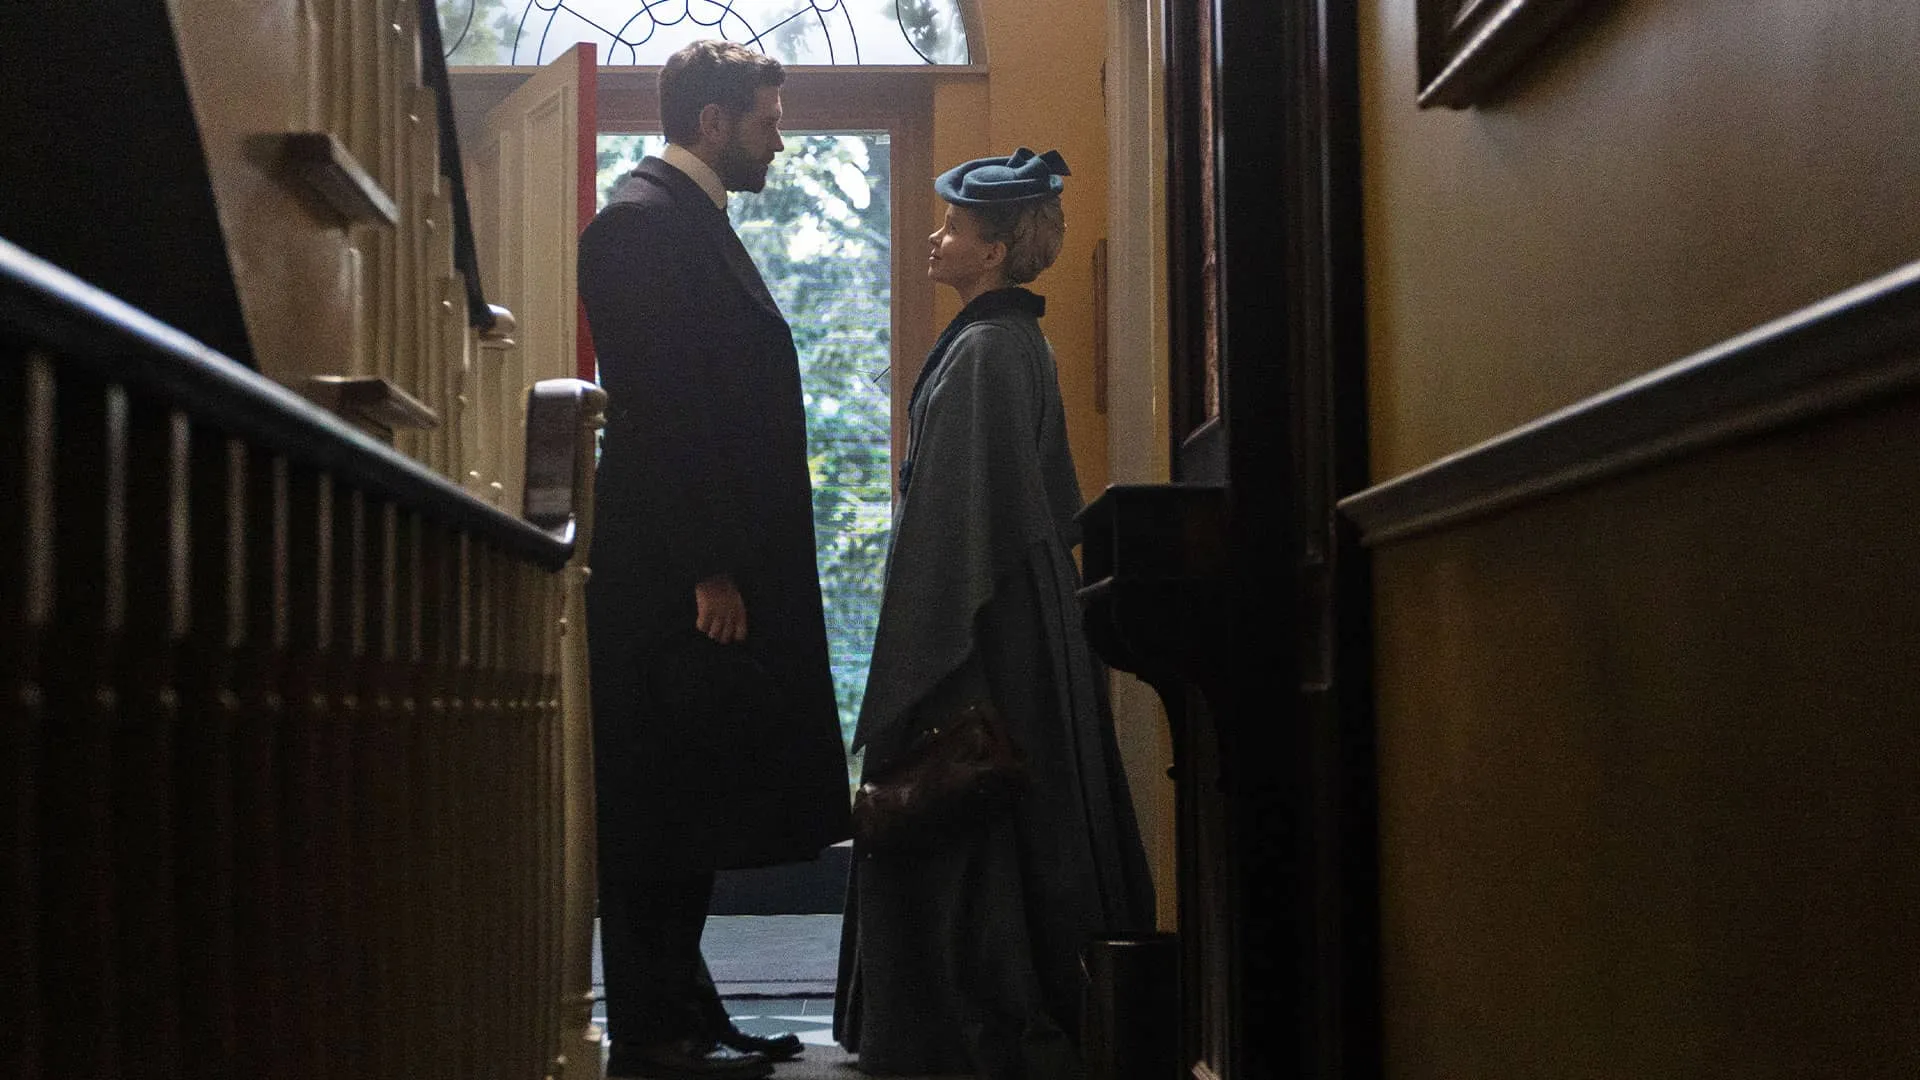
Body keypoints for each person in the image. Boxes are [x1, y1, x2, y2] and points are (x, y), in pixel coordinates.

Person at [833, 148, 1156, 1079]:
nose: (938, 238)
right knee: (1019, 804)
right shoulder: (1014, 342)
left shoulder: (984, 351)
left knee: (965, 794)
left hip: (982, 624)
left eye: (955, 229)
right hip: (1022, 614)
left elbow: (952, 533)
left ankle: (964, 1024)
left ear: (994, 250)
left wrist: (908, 675)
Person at [579, 40, 853, 1080]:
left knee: (688, 800)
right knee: (660, 805)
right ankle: (654, 1033)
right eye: (769, 118)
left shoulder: (678, 222)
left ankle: (687, 1016)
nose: (780, 138)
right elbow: (662, 413)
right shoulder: (640, 227)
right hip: (672, 580)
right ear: (712, 121)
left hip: (698, 569)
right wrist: (708, 568)